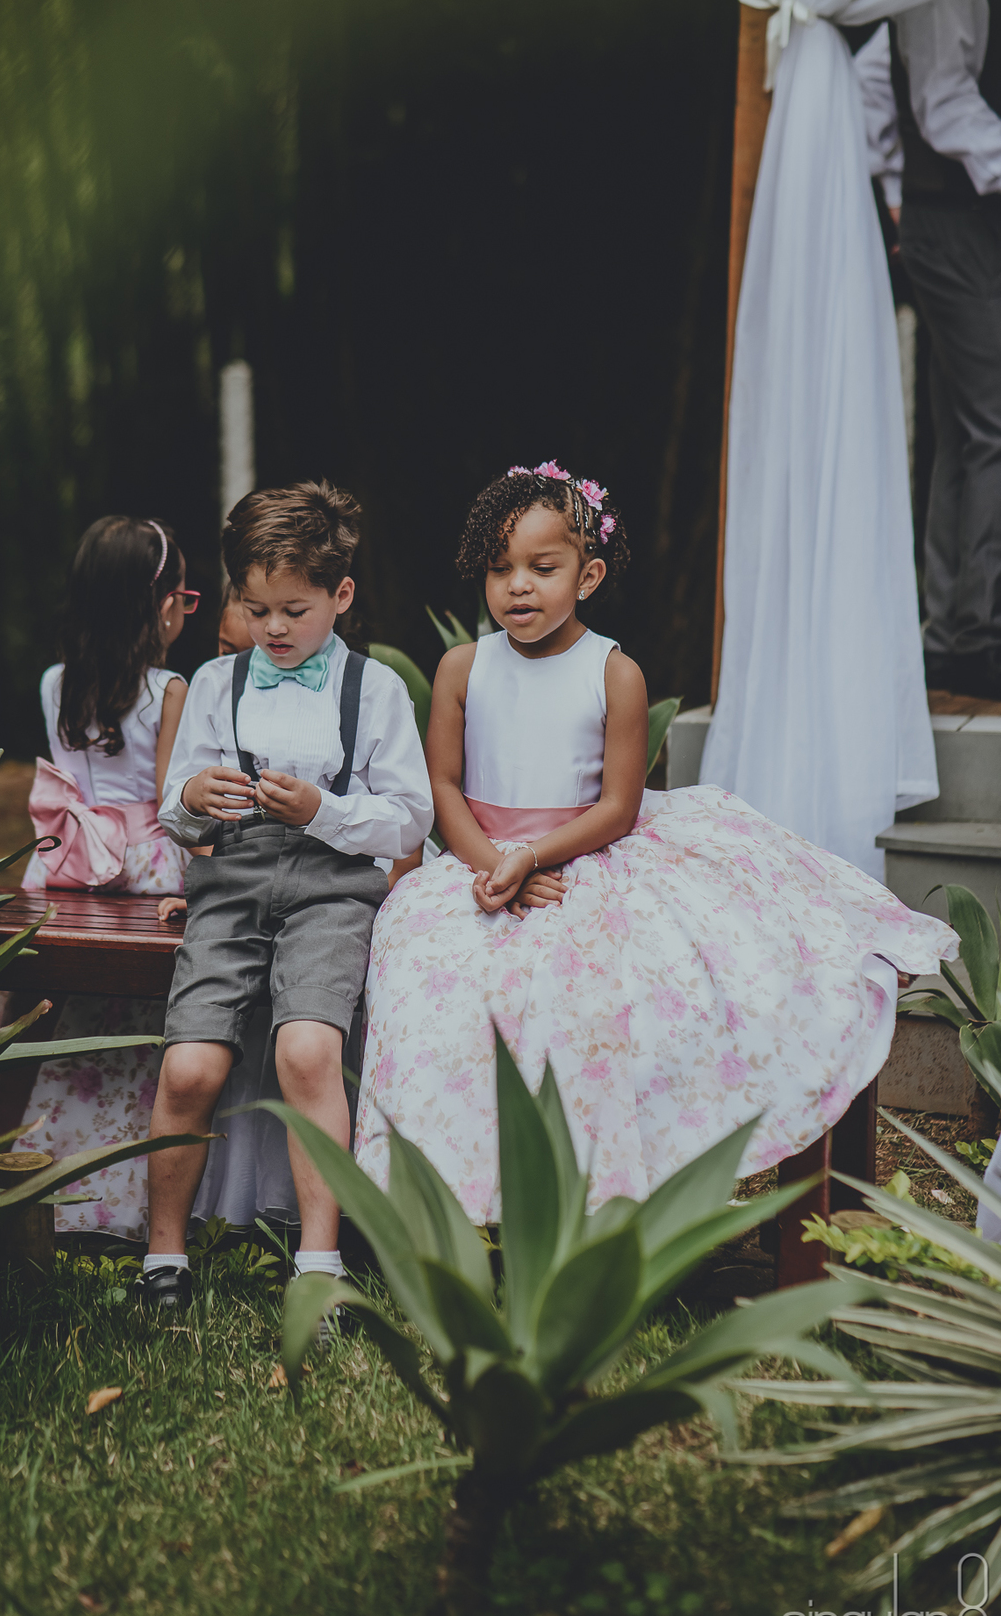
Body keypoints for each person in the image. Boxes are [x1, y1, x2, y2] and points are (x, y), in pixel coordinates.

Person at [354, 463, 957, 1220]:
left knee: (596, 999)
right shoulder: (460, 668)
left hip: (582, 857)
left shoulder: (615, 674)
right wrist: (494, 864)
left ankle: (596, 1198)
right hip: (480, 863)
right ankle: (448, 1201)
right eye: (499, 568)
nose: (518, 587)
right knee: (430, 989)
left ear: (590, 572)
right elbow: (443, 787)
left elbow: (617, 806)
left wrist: (535, 858)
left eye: (543, 568)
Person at [136, 479, 433, 1309]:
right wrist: (196, 801)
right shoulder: (216, 681)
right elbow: (173, 808)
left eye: (293, 611)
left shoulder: (374, 692)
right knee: (191, 1065)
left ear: (340, 596)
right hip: (229, 885)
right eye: (256, 608)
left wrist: (326, 811)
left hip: (331, 890)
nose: (272, 629)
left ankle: (320, 1262)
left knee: (307, 1052)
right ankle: (164, 1255)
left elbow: (409, 822)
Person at [0, 515, 198, 1239]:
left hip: (68, 865)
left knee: (50, 1003)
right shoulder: (171, 689)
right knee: (138, 1024)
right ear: (161, 604)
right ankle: (118, 1188)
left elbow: (73, 784)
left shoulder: (55, 683)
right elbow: (170, 798)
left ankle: (17, 1154)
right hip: (141, 868)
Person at [855, 0, 1001, 699]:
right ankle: (974, 634)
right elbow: (941, 102)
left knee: (965, 427)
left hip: (962, 214)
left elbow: (880, 67)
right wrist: (894, 192)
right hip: (952, 216)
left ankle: (955, 632)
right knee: (992, 426)